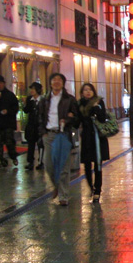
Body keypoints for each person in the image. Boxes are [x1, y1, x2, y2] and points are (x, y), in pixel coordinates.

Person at [37, 73, 79, 206]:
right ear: (50, 83)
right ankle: (56, 186)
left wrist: (67, 119)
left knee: (64, 167)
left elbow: (77, 119)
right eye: (53, 80)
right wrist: (43, 133)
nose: (56, 82)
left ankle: (63, 196)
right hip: (48, 134)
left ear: (63, 83)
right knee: (48, 164)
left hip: (63, 134)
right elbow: (39, 117)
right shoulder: (44, 99)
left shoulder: (70, 99)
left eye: (59, 80)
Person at [78, 82, 110, 203]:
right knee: (86, 165)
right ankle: (90, 186)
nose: (88, 91)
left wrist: (96, 107)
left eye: (90, 89)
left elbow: (103, 118)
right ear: (82, 93)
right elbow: (78, 121)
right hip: (86, 137)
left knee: (98, 164)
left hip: (98, 137)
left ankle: (97, 191)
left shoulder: (99, 102)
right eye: (85, 90)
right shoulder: (80, 104)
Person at [23, 82, 44, 170]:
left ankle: (41, 162)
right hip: (31, 125)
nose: (31, 91)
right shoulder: (29, 100)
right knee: (31, 144)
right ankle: (30, 162)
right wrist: (25, 104)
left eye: (33, 89)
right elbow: (26, 111)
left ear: (38, 90)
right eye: (31, 89)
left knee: (40, 145)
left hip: (40, 125)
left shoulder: (43, 100)